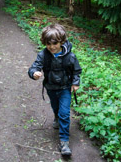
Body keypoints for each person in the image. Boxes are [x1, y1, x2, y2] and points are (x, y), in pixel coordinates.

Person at [28, 24, 82, 156]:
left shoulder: (70, 56)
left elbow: (76, 70)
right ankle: (56, 117)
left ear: (62, 41)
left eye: (55, 43)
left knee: (65, 113)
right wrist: (34, 73)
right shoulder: (43, 55)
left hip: (65, 88)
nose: (52, 47)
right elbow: (34, 67)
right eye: (48, 44)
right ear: (44, 43)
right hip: (51, 88)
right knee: (56, 107)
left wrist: (75, 82)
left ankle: (64, 142)